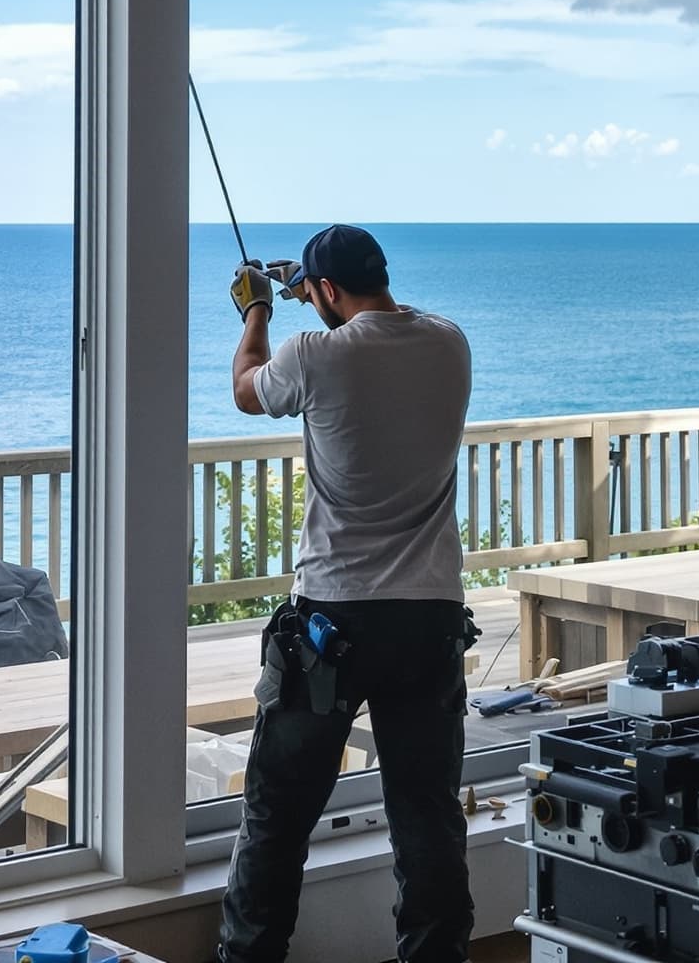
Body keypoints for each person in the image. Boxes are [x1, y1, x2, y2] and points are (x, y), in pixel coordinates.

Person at [216, 224, 477, 963]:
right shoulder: (450, 343)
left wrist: (258, 310)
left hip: (333, 618)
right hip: (429, 618)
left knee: (277, 817)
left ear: (323, 292)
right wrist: (312, 288)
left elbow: (246, 389)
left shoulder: (309, 354)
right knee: (427, 819)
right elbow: (377, 329)